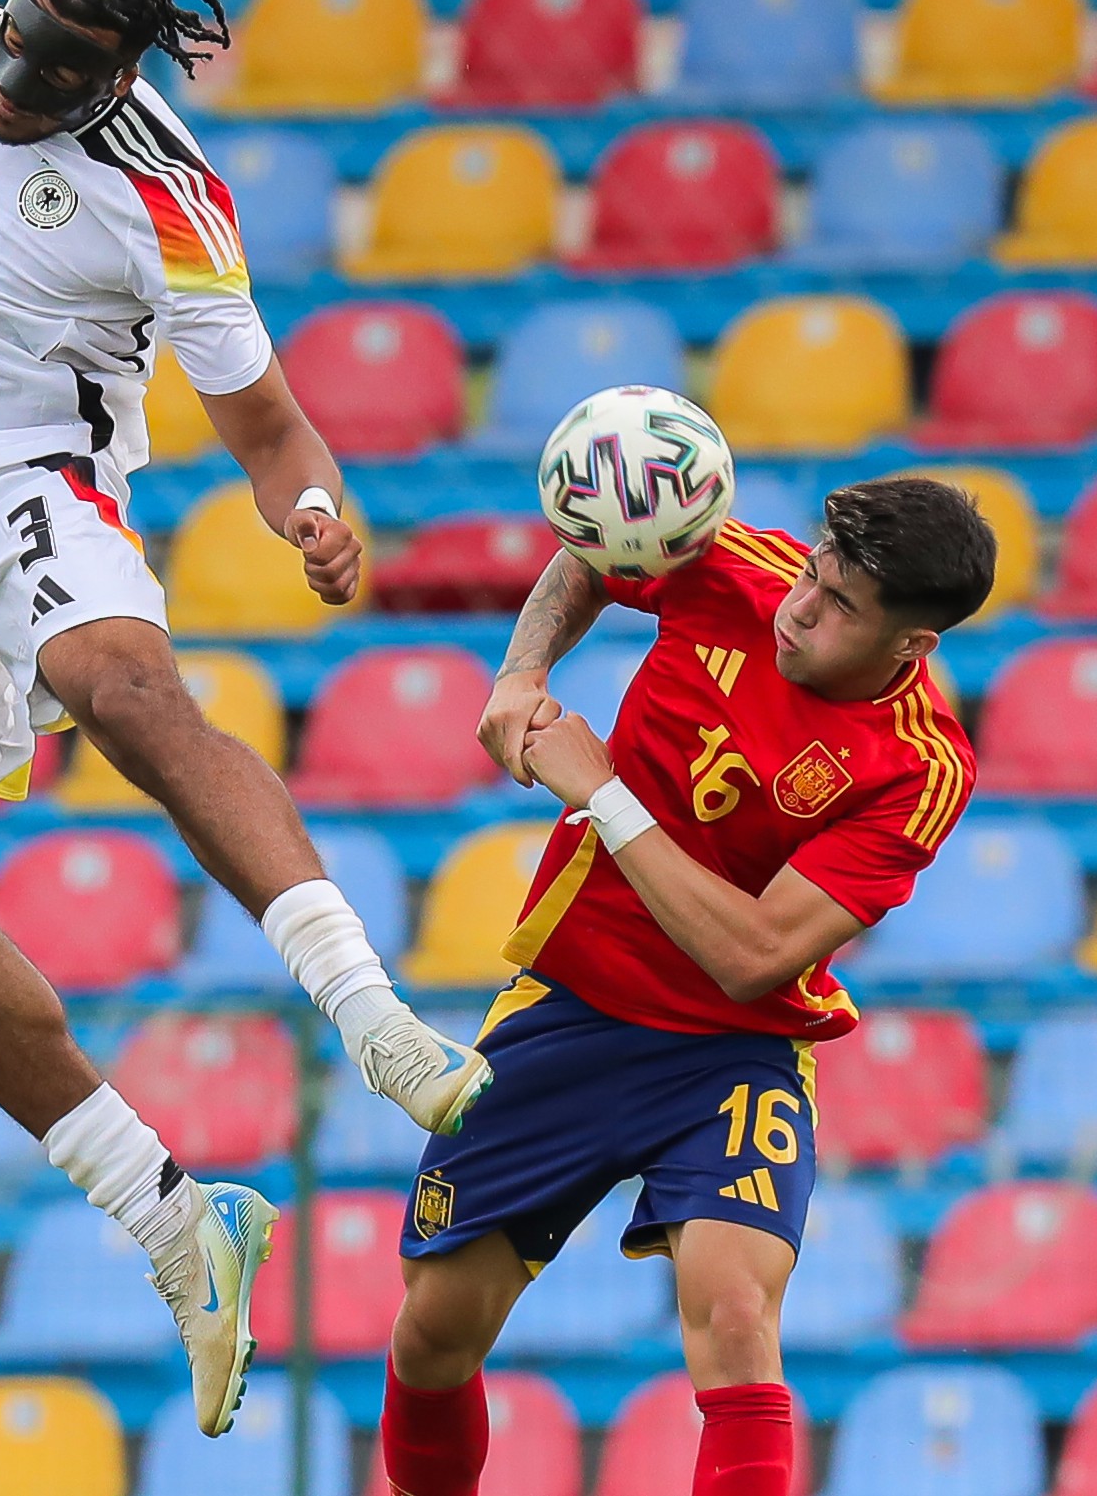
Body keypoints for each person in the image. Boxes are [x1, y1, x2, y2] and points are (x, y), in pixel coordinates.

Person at [0, 0, 489, 1438]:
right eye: (19, 41)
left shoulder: (165, 195)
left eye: (62, 72)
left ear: (125, 75)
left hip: (27, 481)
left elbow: (267, 424)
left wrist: (314, 510)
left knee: (120, 685)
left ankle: (374, 1021)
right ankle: (179, 1220)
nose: (17, 83)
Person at [378, 477, 998, 1496]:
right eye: (812, 574)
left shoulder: (916, 772)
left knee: (737, 1317)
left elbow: (754, 956)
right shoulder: (734, 569)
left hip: (732, 1044)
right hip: (573, 1004)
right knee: (435, 1330)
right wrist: (520, 670)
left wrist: (606, 797)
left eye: (840, 606)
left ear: (910, 647)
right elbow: (590, 551)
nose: (799, 605)